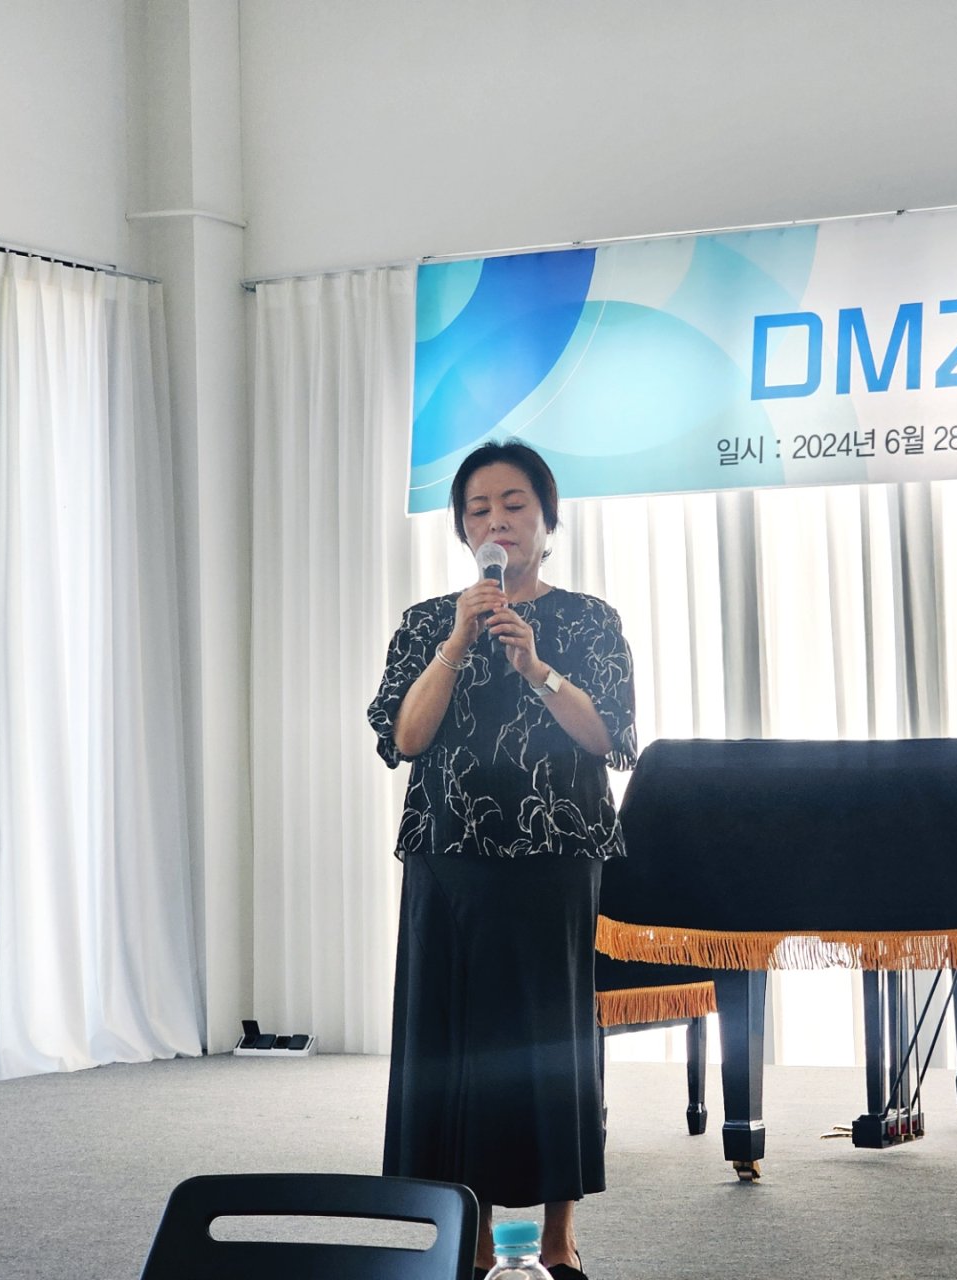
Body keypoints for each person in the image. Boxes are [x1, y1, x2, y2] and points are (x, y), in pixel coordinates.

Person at [367, 441, 636, 1280]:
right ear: (461, 530)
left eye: (514, 505)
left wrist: (535, 667)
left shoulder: (588, 620)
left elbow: (610, 739)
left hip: (556, 854)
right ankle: (473, 1240)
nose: (497, 522)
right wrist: (458, 640)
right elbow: (406, 737)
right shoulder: (425, 622)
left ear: (547, 521)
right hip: (449, 855)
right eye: (478, 509)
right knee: (455, 1048)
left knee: (551, 1044)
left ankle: (558, 1239)